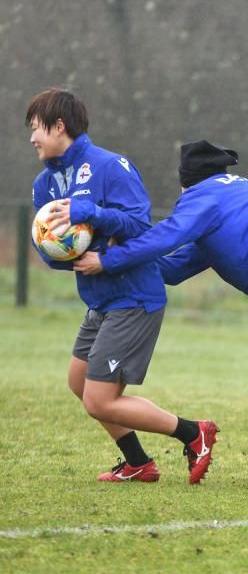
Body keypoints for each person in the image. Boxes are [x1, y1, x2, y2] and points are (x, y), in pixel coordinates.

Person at [74, 140, 248, 497]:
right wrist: (121, 256)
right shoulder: (234, 198)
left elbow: (166, 237)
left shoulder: (203, 196)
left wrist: (107, 260)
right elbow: (172, 267)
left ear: (185, 182)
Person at [26, 88, 217, 484]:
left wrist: (89, 214)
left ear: (59, 126)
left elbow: (139, 226)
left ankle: (192, 432)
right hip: (99, 299)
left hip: (134, 297)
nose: (32, 138)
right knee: (79, 383)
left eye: (36, 128)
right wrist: (56, 254)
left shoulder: (111, 167)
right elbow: (52, 250)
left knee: (101, 398)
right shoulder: (44, 186)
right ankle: (138, 463)